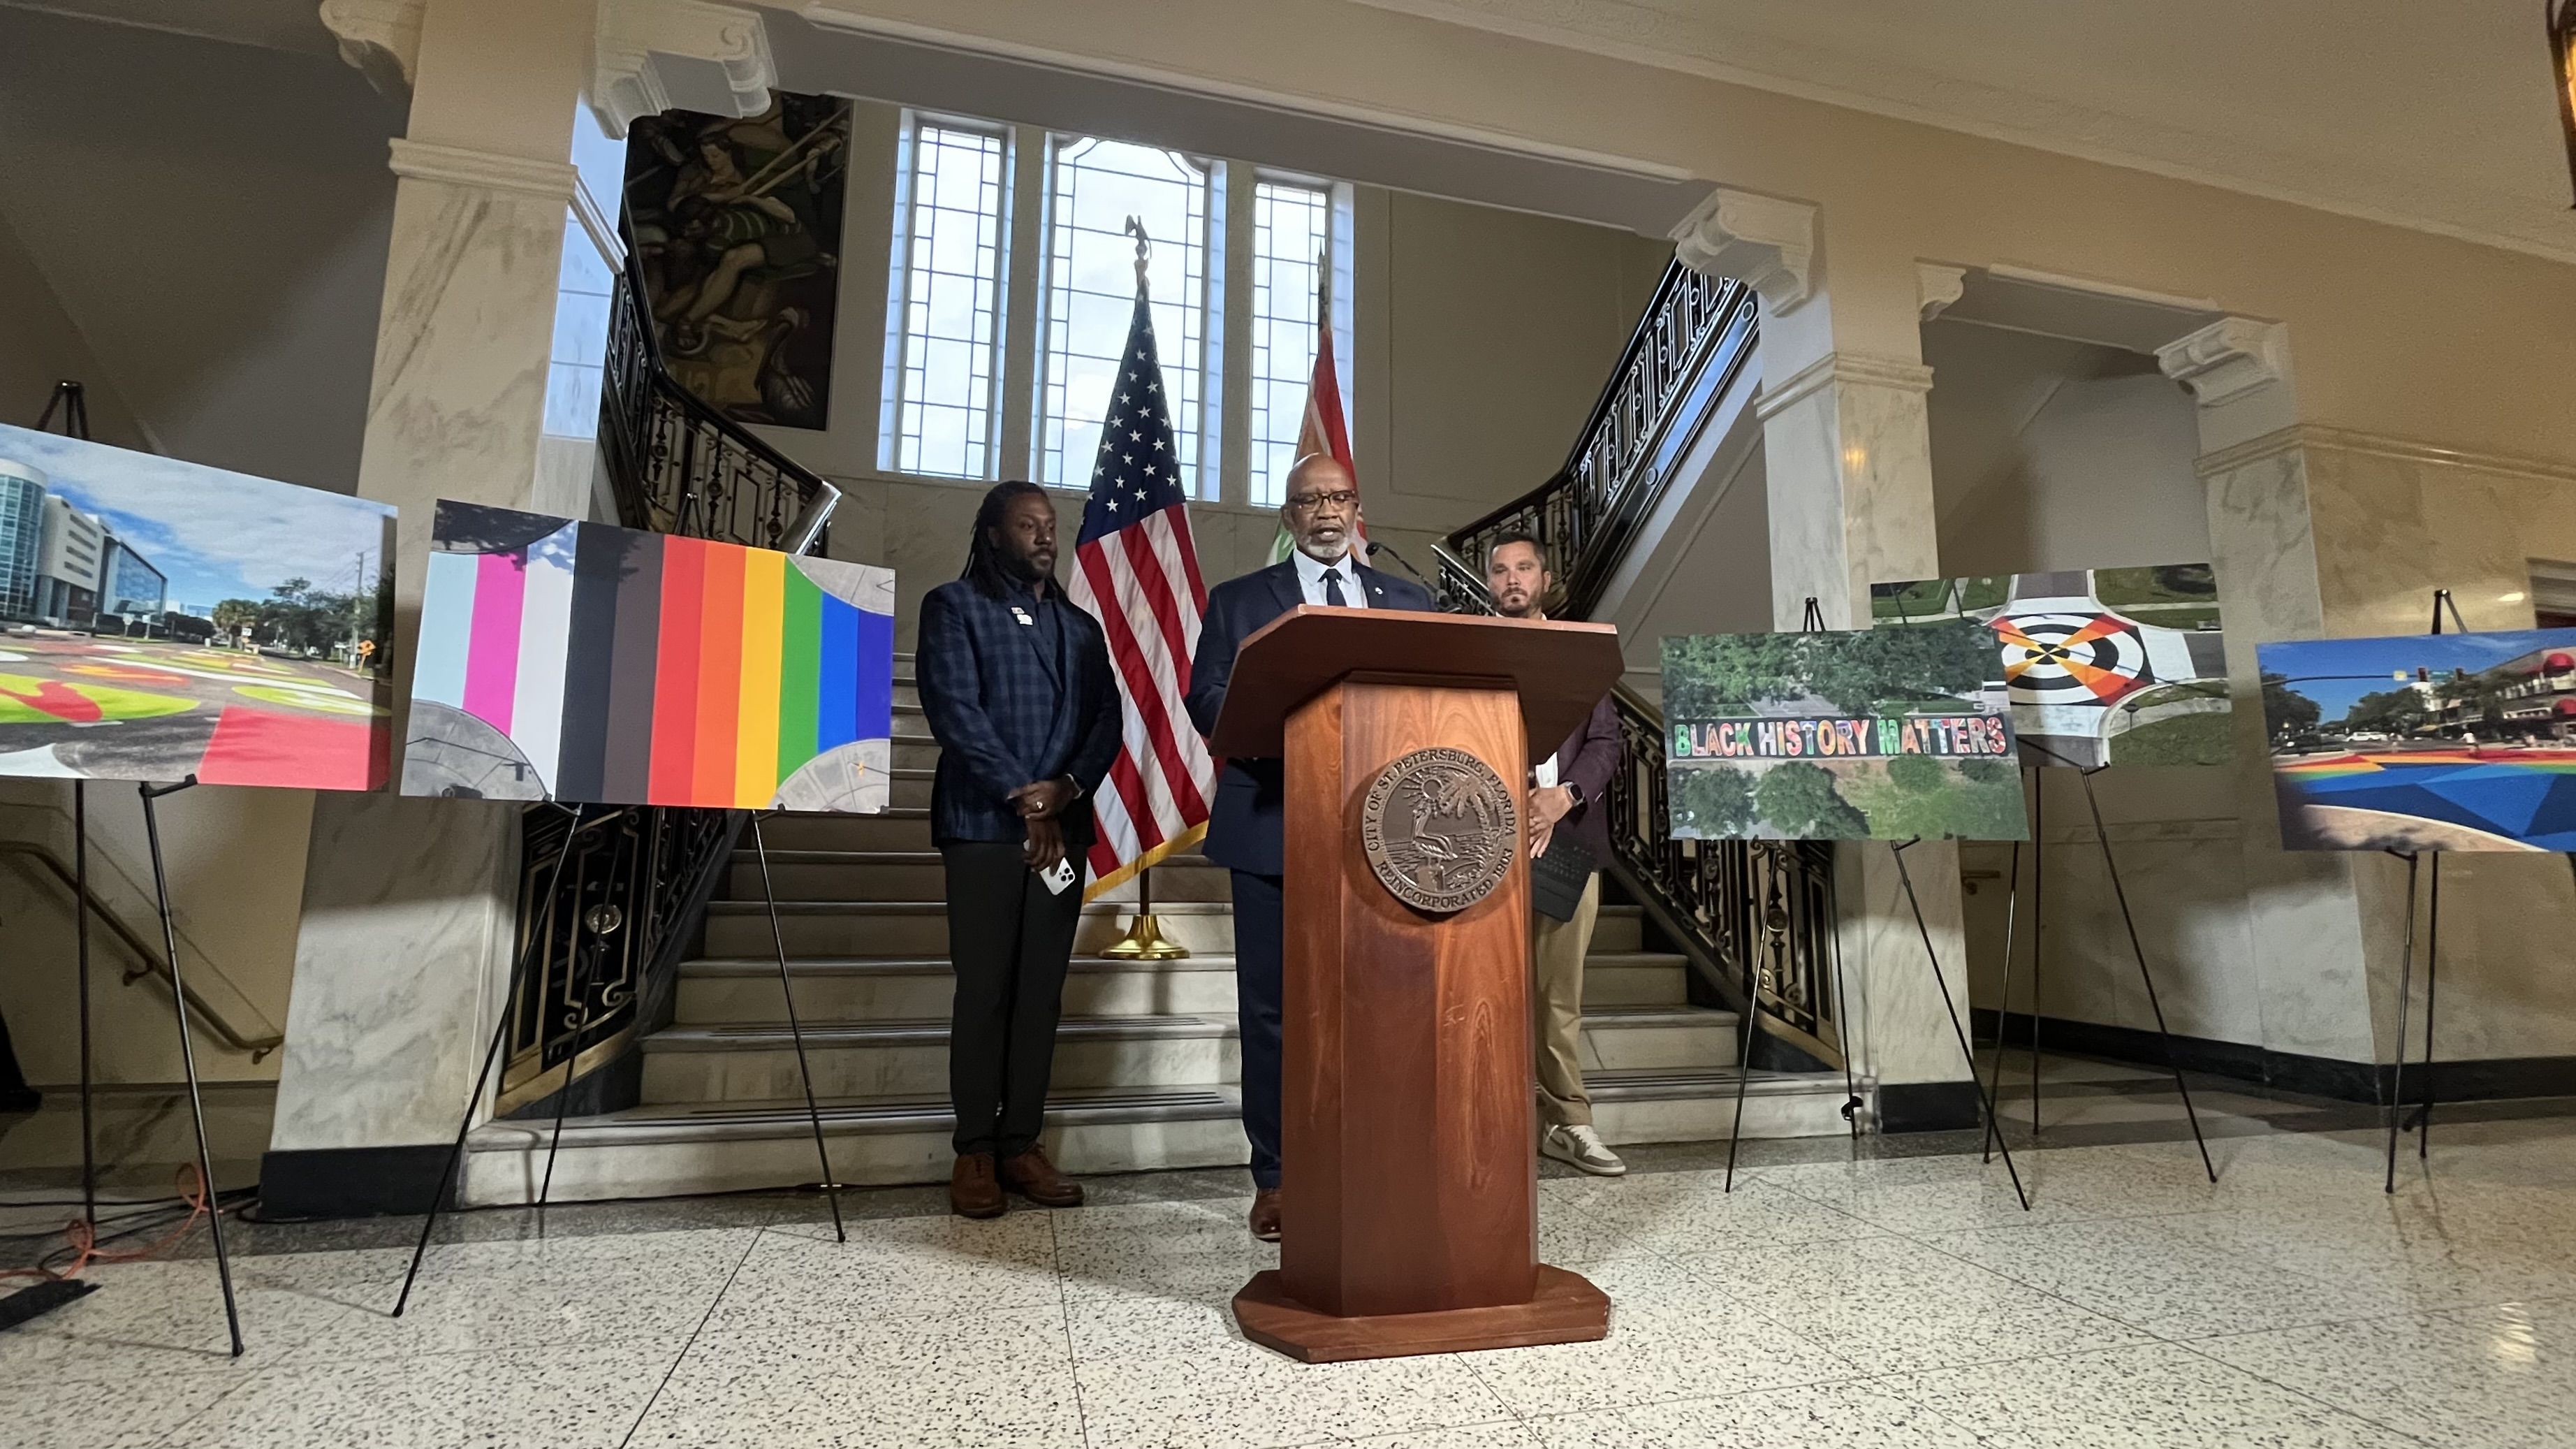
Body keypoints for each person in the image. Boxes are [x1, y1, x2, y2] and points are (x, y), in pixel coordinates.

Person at [1186, 454, 1433, 1241]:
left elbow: (1432, 695)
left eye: (1337, 497)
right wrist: (1303, 731)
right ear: (1288, 516)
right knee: (1274, 1012)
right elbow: (1209, 699)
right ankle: (1279, 1174)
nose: (1325, 511)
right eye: (1308, 501)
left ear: (1357, 508)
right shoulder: (1238, 601)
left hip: (1390, 834)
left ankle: (1377, 1160)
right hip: (1271, 823)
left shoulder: (1410, 599)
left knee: (1380, 1004)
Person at [916, 481, 1123, 1219]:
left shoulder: (1078, 626)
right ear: (994, 534)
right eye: (1027, 525)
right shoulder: (952, 606)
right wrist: (1020, 792)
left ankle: (1020, 1141)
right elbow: (953, 709)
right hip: (982, 826)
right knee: (986, 991)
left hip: (1062, 826)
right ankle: (974, 1146)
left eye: (1050, 525)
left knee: (1039, 995)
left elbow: (1107, 716)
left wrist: (1064, 789)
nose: (1044, 536)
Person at [1486, 530, 1626, 1177]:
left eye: (1524, 568)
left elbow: (1606, 741)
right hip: (1484, 849)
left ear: (1545, 580)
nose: (1512, 579)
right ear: (1489, 584)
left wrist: (1564, 796)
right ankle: (1490, 1123)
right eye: (1500, 570)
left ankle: (1571, 1124)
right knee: (1485, 993)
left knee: (1557, 997)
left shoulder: (1579, 654)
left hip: (1566, 848)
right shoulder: (1473, 653)